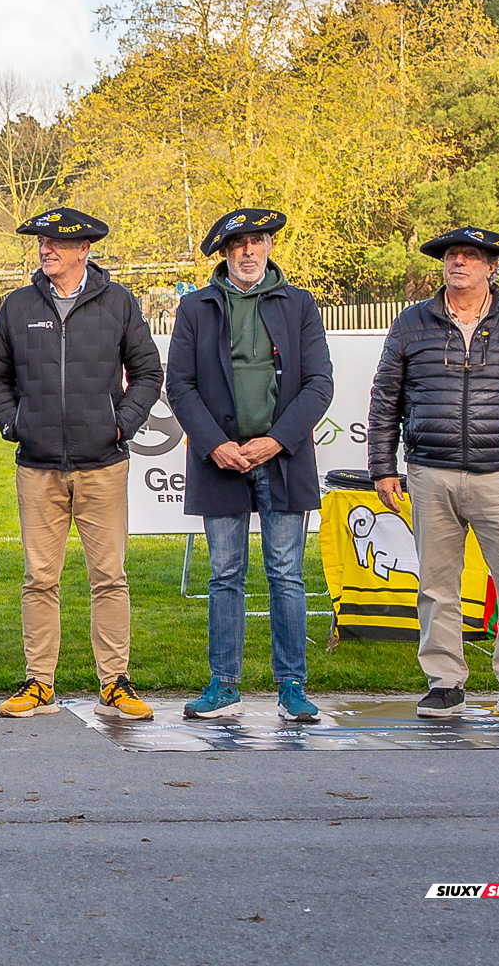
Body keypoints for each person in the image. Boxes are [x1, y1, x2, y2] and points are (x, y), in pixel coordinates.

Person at [368, 227, 499, 721]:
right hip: (430, 473)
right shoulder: (411, 323)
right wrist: (383, 467)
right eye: (452, 255)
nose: (459, 262)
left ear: (491, 267)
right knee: (436, 585)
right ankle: (445, 681)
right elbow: (385, 398)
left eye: (471, 256)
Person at [0, 208, 162, 721]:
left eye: (58, 242)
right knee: (39, 578)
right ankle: (39, 683)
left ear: (85, 249)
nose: (47, 249)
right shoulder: (17, 306)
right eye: (42, 241)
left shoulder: (118, 302)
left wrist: (120, 423)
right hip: (37, 465)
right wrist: (14, 423)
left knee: (109, 576)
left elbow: (148, 371)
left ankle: (115, 683)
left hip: (102, 463)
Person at [165, 210, 333, 723]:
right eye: (237, 244)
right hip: (220, 461)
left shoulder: (300, 304)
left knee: (286, 573)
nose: (247, 252)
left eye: (256, 242)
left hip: (282, 461)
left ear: (268, 247)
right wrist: (215, 445)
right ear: (224, 253)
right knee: (225, 574)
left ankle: (292, 686)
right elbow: (181, 386)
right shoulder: (195, 307)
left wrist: (276, 442)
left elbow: (319, 385)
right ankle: (224, 684)